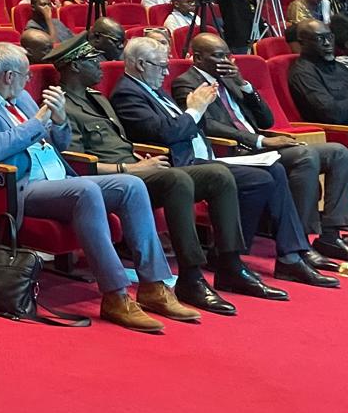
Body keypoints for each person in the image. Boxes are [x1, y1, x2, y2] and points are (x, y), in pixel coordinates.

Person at [0, 43, 184, 330]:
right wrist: (38, 121)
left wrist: (60, 121)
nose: (29, 81)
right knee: (85, 191)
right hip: (20, 185)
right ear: (9, 76)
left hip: (58, 176)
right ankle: (115, 295)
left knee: (132, 185)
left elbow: (58, 144)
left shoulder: (20, 95)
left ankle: (153, 285)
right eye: (26, 75)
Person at [50, 37, 266, 312]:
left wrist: (139, 159)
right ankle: (191, 277)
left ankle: (230, 264)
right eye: (93, 61)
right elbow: (75, 163)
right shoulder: (63, 105)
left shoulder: (97, 98)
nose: (102, 66)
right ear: (75, 67)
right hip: (112, 179)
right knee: (177, 179)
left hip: (137, 169)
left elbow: (120, 144)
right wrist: (129, 168)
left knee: (218, 174)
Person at [110, 38, 336, 289]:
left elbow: (262, 120)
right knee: (256, 178)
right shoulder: (127, 94)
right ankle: (229, 259)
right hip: (178, 165)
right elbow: (167, 133)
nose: (166, 72)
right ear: (141, 64)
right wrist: (195, 110)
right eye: (161, 66)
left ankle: (289, 256)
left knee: (272, 170)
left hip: (202, 158)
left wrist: (201, 109)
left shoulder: (154, 88)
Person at [176, 32, 348, 265]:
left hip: (260, 143)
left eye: (228, 55)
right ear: (198, 58)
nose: (226, 61)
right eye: (218, 56)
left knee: (338, 152)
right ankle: (301, 242)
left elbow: (266, 120)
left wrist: (244, 85)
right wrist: (259, 141)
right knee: (304, 156)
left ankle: (330, 236)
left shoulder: (231, 79)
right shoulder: (186, 83)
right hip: (238, 149)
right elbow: (206, 124)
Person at [288, 18, 348, 164]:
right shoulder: (304, 73)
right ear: (302, 42)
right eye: (319, 39)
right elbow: (332, 114)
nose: (327, 43)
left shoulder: (338, 66)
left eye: (329, 37)